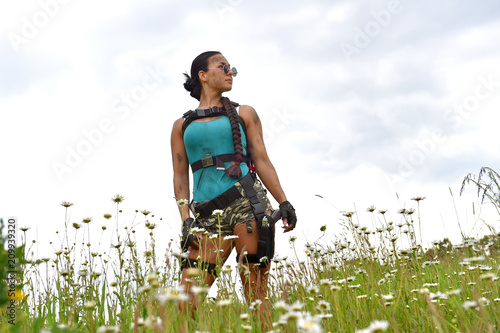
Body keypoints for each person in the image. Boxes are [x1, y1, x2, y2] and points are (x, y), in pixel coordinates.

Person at [170, 51, 297, 329]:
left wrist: (284, 202)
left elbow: (261, 159)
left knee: (255, 294)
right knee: (186, 301)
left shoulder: (244, 114)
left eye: (232, 69)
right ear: (202, 75)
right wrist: (185, 220)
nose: (230, 72)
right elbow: (180, 177)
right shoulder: (182, 126)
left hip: (246, 204)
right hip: (204, 216)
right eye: (223, 67)